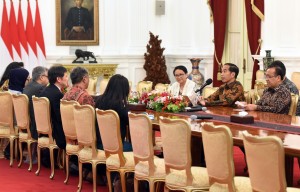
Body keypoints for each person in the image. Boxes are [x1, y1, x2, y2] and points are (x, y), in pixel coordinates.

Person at [95, 74, 132, 152]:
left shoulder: (98, 100)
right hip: (115, 146)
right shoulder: (119, 105)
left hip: (98, 143)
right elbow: (130, 122)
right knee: (139, 148)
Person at [40, 66, 69, 149]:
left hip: (44, 130)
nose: (67, 79)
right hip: (56, 133)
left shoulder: (45, 90)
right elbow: (59, 117)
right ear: (59, 79)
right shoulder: (57, 94)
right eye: (66, 76)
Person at [23, 66, 49, 140]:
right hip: (35, 127)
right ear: (41, 77)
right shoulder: (41, 88)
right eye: (48, 77)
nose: (49, 79)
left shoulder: (28, 85)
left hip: (26, 123)